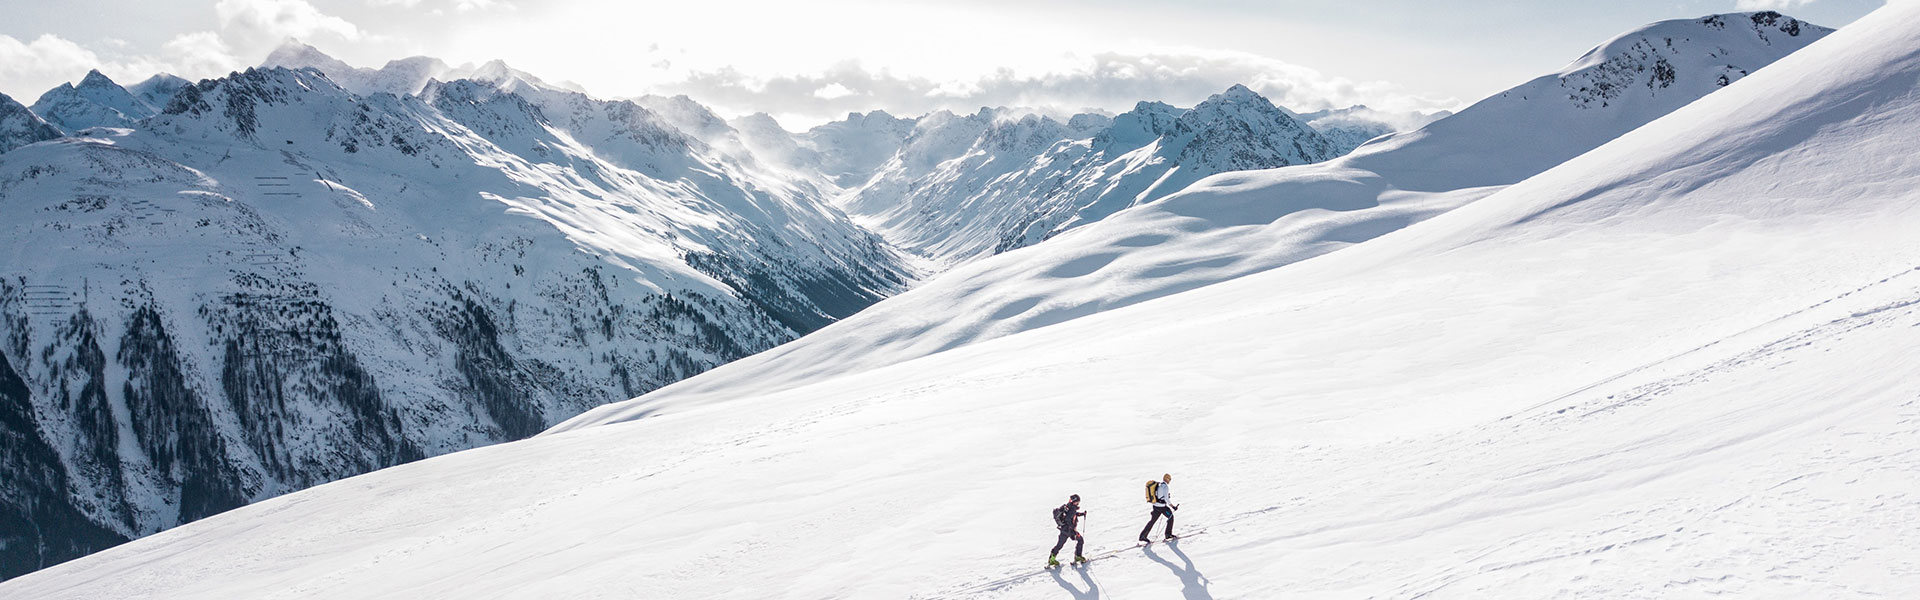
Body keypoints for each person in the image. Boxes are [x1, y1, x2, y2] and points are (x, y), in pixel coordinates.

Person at [1049, 494, 1088, 567]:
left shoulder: (1067, 507)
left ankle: (1052, 559)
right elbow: (1068, 518)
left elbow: (1072, 515)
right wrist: (1072, 528)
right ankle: (1078, 557)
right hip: (1069, 530)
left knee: (1059, 545)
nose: (1078, 503)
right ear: (1074, 501)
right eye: (1077, 502)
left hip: (1063, 529)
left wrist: (1082, 514)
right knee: (1080, 540)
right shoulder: (1072, 508)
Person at [1139, 473, 1178, 543]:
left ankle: (1143, 536)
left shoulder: (1159, 485)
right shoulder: (1165, 487)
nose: (1170, 481)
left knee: (1152, 521)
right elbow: (1166, 498)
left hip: (1155, 506)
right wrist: (1173, 506)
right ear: (1167, 479)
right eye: (1169, 479)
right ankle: (1168, 534)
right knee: (1170, 517)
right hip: (1162, 507)